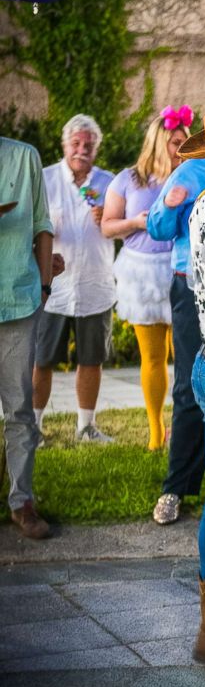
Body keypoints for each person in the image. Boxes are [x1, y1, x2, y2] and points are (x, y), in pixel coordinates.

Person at [146, 92, 205, 524]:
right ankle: (177, 488)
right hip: (192, 288)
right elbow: (157, 228)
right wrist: (169, 206)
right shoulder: (192, 169)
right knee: (190, 386)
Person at [101, 106, 190, 450]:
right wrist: (136, 223)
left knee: (185, 356)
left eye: (184, 142)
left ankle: (185, 428)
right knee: (152, 356)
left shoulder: (190, 176)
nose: (181, 148)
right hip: (141, 271)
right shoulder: (127, 179)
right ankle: (156, 430)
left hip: (182, 269)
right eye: (176, 142)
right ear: (158, 141)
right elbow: (108, 226)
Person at [33, 115, 115, 444]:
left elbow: (120, 225)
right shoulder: (45, 179)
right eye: (76, 143)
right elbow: (29, 227)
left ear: (96, 148)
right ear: (65, 145)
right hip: (53, 290)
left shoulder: (109, 182)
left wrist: (107, 217)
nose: (82, 150)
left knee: (91, 358)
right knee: (42, 359)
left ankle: (86, 427)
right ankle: (33, 427)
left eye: (88, 145)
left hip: (96, 285)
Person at [0, 137, 53, 538]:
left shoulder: (24, 156)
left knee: (19, 407)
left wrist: (45, 288)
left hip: (18, 298)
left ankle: (22, 502)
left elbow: (41, 226)